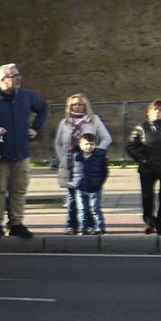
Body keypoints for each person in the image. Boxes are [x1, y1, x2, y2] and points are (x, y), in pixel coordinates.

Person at [0, 63, 48, 239]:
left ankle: (16, 223)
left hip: (21, 152)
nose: (18, 78)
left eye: (18, 74)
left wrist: (36, 128)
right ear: (2, 80)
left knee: (19, 189)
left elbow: (44, 107)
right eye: (14, 76)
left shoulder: (25, 96)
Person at [52, 93, 113, 233]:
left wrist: (97, 153)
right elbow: (58, 142)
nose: (77, 107)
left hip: (89, 164)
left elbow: (106, 138)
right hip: (70, 164)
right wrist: (62, 158)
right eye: (74, 104)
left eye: (80, 104)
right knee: (72, 197)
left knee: (90, 198)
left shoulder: (94, 120)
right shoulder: (65, 122)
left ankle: (92, 225)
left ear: (86, 105)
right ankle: (71, 225)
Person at [127, 100, 161, 236]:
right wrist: (143, 159)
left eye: (160, 109)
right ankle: (150, 220)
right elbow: (131, 146)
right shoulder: (142, 127)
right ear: (149, 112)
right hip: (148, 169)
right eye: (154, 110)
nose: (157, 112)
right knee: (147, 196)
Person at [67, 132, 109, 235]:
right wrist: (74, 182)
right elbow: (72, 171)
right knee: (82, 209)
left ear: (96, 145)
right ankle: (83, 228)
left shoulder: (99, 157)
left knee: (95, 209)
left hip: (94, 188)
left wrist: (99, 183)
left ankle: (100, 227)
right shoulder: (76, 157)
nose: (89, 146)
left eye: (91, 144)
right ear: (80, 145)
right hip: (80, 188)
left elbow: (105, 171)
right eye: (86, 144)